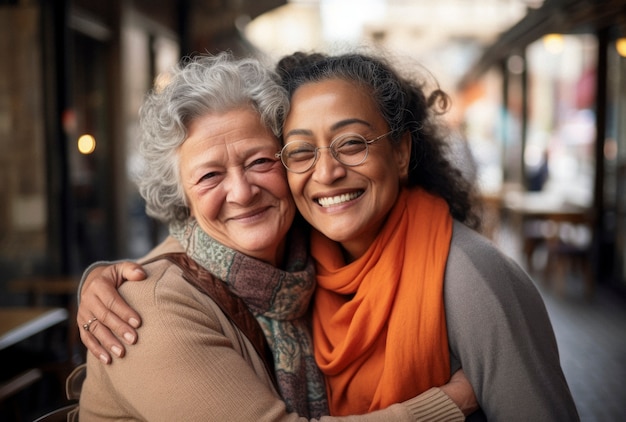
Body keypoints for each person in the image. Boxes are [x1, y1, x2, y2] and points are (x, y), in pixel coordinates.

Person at [79, 51, 580, 420]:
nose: (242, 191)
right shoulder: (146, 307)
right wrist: (447, 404)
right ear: (182, 198)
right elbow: (165, 286)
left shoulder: (315, 261)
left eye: (260, 161)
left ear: (401, 153)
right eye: (209, 176)